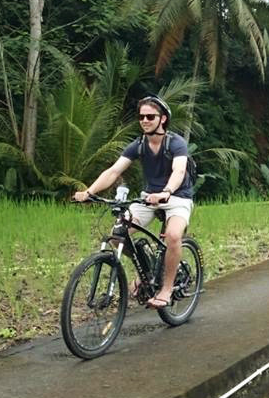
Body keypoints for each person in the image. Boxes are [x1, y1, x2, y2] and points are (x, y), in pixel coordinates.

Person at [73, 95, 193, 309]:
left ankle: (166, 289)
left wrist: (166, 191)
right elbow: (113, 171)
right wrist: (89, 192)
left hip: (177, 197)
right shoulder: (138, 145)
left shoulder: (176, 143)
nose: (144, 120)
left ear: (163, 119)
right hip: (147, 198)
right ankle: (145, 272)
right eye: (141, 117)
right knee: (117, 235)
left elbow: (179, 170)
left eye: (150, 116)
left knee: (174, 236)